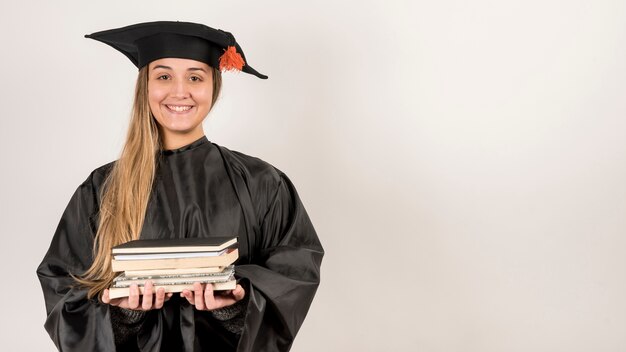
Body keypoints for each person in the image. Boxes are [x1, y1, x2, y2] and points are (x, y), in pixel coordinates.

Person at [37, 21, 324, 352]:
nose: (179, 91)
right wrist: (124, 315)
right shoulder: (103, 190)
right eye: (163, 76)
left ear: (214, 86)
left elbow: (296, 269)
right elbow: (63, 287)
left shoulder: (261, 183)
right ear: (145, 86)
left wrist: (234, 304)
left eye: (195, 77)